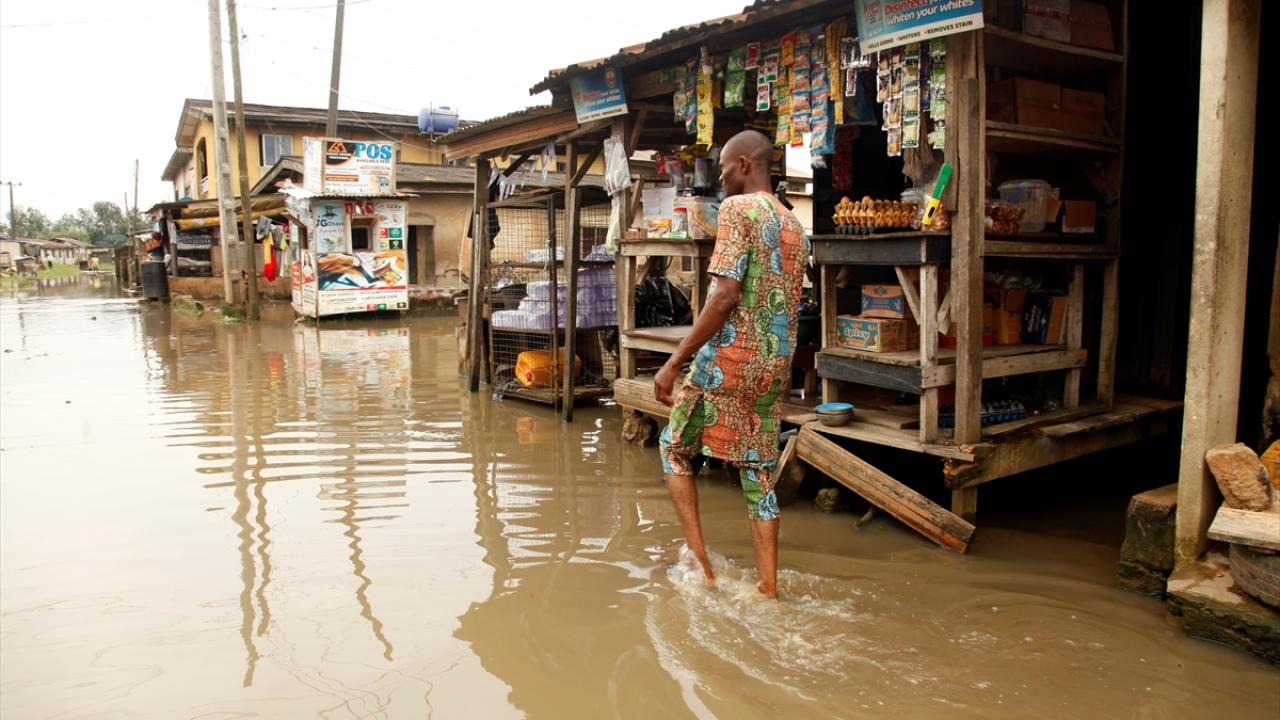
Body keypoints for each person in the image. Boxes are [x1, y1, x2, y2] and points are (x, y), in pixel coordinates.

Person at [654, 130, 809, 599]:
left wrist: (674, 362)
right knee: (758, 471)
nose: (718, 175)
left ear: (744, 164)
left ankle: (702, 566)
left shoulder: (737, 210)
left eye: (722, 166)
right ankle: (768, 588)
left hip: (730, 358)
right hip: (773, 365)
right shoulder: (792, 223)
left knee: (674, 448)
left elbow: (724, 296)